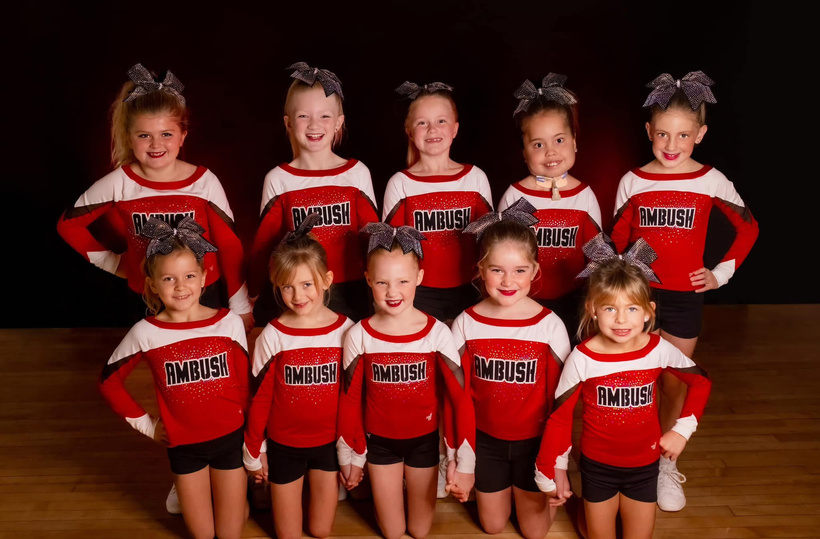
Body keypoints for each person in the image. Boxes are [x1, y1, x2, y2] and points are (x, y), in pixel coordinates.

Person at [610, 71, 758, 511]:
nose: (671, 145)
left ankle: (662, 465)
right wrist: (618, 286)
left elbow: (748, 228)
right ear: (648, 133)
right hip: (636, 298)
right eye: (662, 135)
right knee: (633, 380)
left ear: (701, 134)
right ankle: (625, 459)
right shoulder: (632, 180)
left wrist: (719, 274)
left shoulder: (710, 180)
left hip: (683, 298)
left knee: (674, 382)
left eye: (683, 135)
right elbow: (616, 241)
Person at [534, 234, 712, 539]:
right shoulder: (582, 357)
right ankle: (583, 510)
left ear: (647, 312)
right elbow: (560, 417)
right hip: (597, 467)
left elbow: (700, 382)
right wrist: (555, 470)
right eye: (609, 309)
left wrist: (682, 430)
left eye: (631, 309)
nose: (621, 320)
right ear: (592, 309)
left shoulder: (657, 349)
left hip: (644, 465)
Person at [57, 63, 254, 333]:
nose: (155, 144)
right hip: (147, 296)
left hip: (205, 293)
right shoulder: (120, 182)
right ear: (129, 137)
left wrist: (240, 306)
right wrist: (112, 262)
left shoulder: (203, 182)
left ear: (183, 136)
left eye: (166, 134)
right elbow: (69, 224)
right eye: (144, 135)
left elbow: (229, 247)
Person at [98, 217, 250, 539]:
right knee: (204, 535)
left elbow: (243, 383)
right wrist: (148, 425)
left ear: (204, 277)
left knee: (230, 535)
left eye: (189, 276)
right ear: (152, 283)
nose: (181, 287)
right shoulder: (147, 331)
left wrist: (254, 444)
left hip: (230, 440)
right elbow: (108, 381)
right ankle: (195, 494)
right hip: (185, 447)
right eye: (169, 278)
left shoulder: (229, 323)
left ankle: (238, 500)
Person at [336, 223, 474, 539]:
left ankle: (415, 482)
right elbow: (349, 398)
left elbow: (460, 398)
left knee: (420, 531)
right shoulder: (359, 335)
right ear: (368, 279)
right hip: (380, 443)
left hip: (423, 441)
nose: (392, 292)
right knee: (393, 532)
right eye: (382, 282)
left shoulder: (437, 332)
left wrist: (462, 461)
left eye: (402, 281)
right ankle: (382, 487)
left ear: (419, 278)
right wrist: (353, 456)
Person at [450, 198, 571, 539]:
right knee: (492, 526)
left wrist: (557, 466)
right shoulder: (465, 324)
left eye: (519, 270)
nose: (508, 281)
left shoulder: (549, 326)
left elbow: (562, 404)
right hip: (486, 442)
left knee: (534, 533)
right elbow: (459, 399)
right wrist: (464, 463)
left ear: (534, 270)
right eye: (497, 270)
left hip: (535, 445)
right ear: (481, 269)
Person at [243, 213, 353, 539]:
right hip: (283, 444)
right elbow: (259, 396)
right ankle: (261, 491)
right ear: (276, 286)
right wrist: (254, 450)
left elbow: (353, 395)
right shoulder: (273, 336)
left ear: (327, 279)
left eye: (307, 284)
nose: (298, 296)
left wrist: (354, 448)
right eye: (287, 287)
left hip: (328, 445)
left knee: (320, 530)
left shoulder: (346, 331)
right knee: (287, 535)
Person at [248, 62, 379, 324]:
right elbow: (264, 246)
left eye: (324, 116)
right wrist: (249, 296)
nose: (314, 124)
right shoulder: (279, 179)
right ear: (288, 123)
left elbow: (373, 239)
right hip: (299, 294)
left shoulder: (356, 173)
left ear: (339, 122)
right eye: (303, 116)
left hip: (351, 291)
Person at [497, 74, 602, 339]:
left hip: (575, 302)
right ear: (524, 152)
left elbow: (598, 256)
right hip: (525, 300)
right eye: (538, 144)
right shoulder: (515, 195)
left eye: (559, 140)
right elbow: (500, 253)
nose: (550, 152)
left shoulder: (584, 195)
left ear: (574, 142)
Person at [382, 81, 493, 324]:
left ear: (455, 128)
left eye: (441, 121)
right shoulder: (400, 183)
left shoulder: (474, 178)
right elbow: (390, 251)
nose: (432, 129)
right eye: (423, 122)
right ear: (410, 131)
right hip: (418, 293)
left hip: (470, 288)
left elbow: (490, 242)